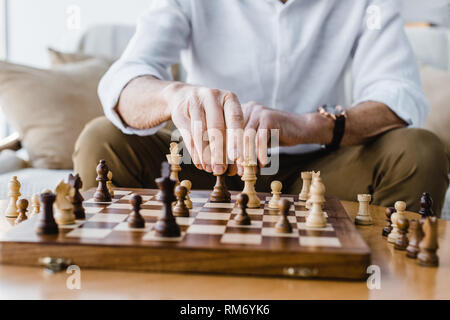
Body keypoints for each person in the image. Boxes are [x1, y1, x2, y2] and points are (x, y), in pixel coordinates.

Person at [74, 0, 449, 214]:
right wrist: (174, 96)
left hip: (317, 168)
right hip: (202, 162)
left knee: (419, 150)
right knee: (101, 139)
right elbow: (124, 81)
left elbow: (399, 95)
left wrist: (305, 126)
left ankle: (374, 275)